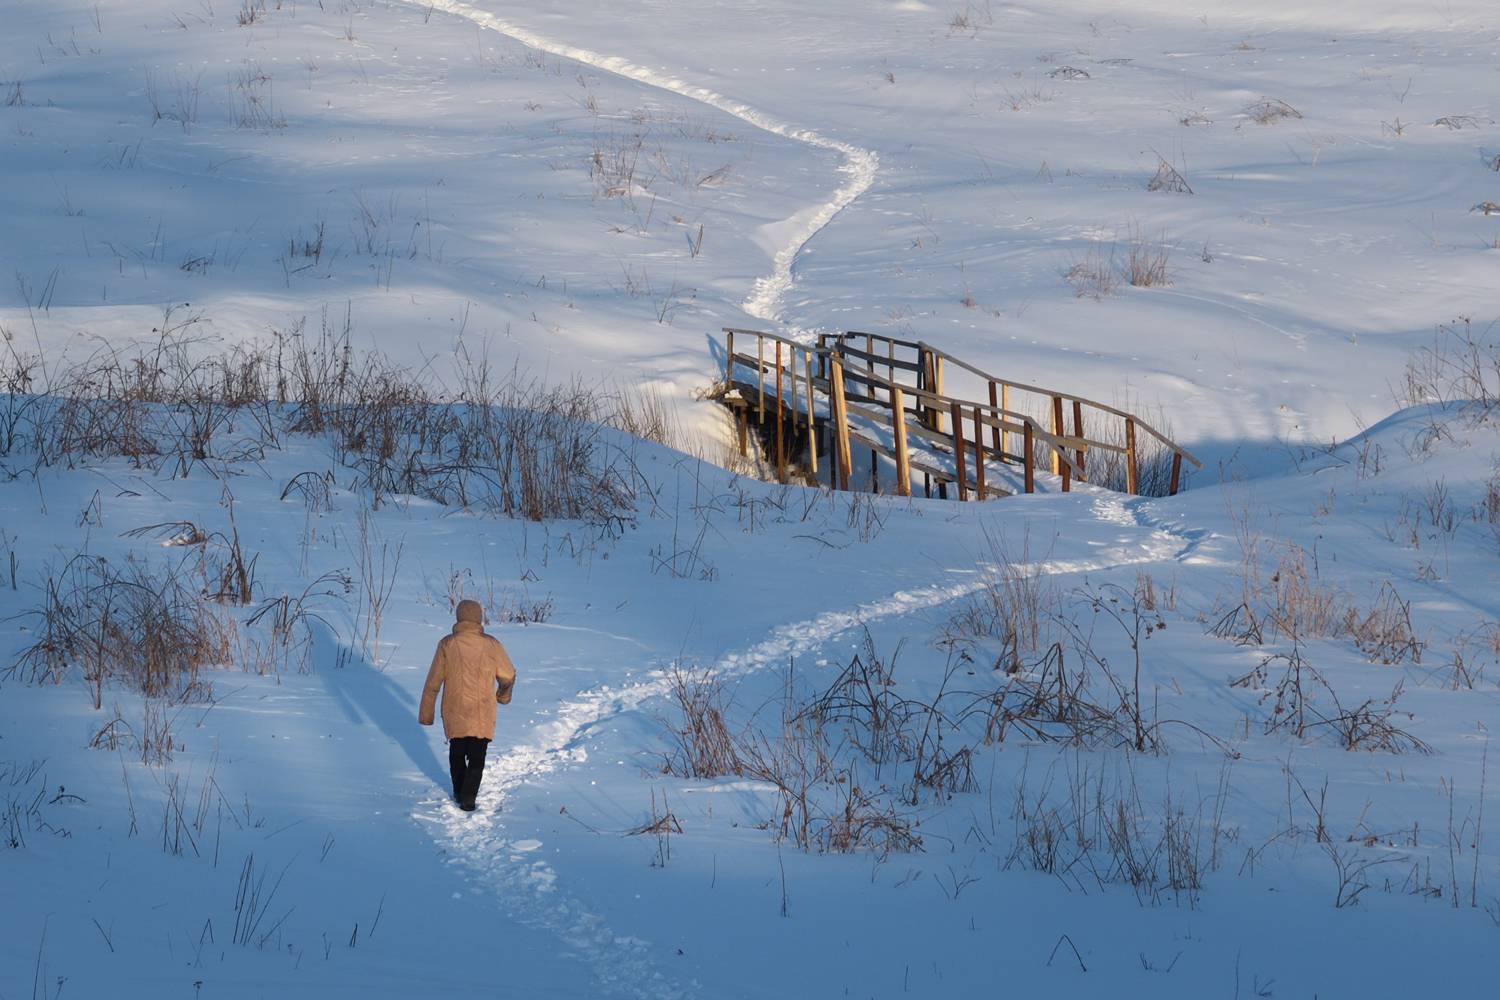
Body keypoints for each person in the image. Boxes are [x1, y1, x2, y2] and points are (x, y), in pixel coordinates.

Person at [418, 599, 517, 812]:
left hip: (455, 709)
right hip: (482, 710)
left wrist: (426, 713)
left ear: (459, 617)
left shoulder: (447, 644)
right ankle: (468, 797)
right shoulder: (492, 644)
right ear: (479, 618)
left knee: (457, 751)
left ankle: (458, 791)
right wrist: (503, 694)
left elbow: (433, 682)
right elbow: (508, 674)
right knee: (477, 755)